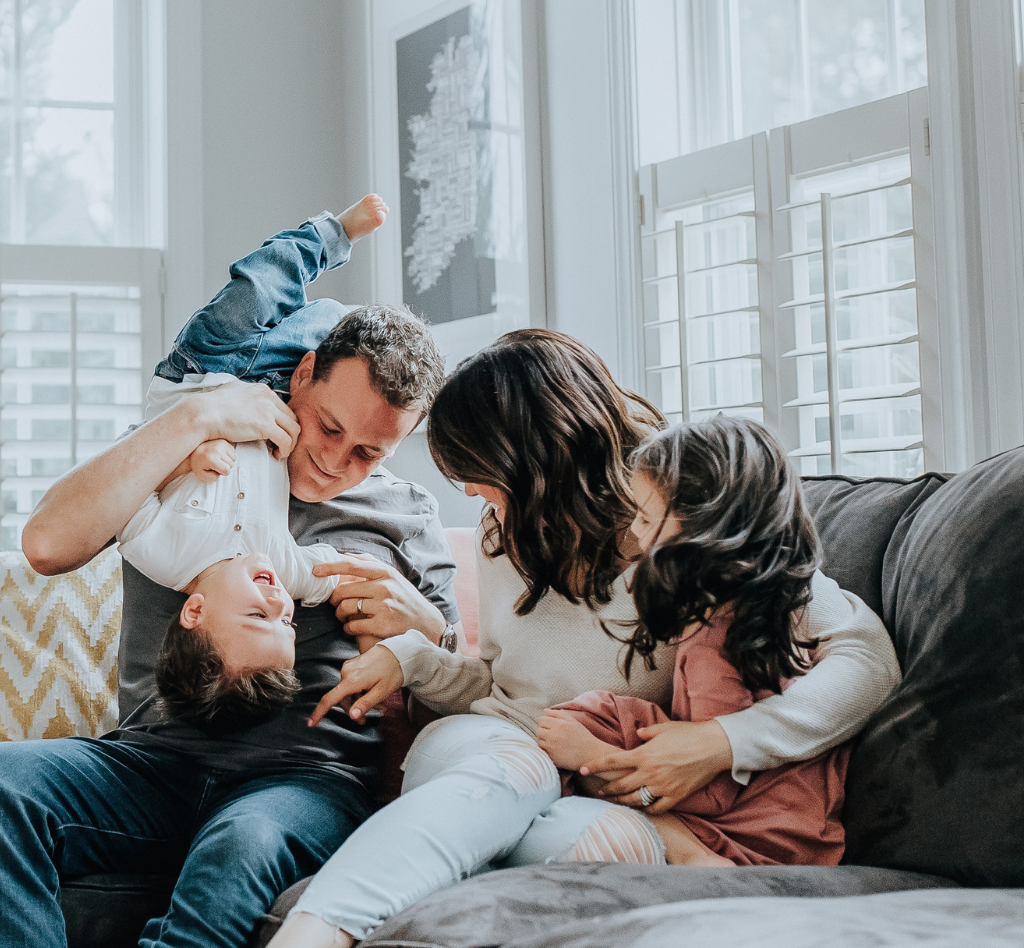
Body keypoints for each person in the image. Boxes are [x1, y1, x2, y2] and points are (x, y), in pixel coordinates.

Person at [266, 330, 899, 947]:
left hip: (592, 789)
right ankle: (313, 931)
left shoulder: (683, 517)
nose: (472, 494)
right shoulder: (500, 533)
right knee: (515, 771)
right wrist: (415, 657)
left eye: (480, 473)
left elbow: (868, 662)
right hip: (491, 746)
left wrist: (720, 743)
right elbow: (497, 685)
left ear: (536, 459)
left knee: (571, 842)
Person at [0, 198, 459, 948]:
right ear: (304, 375)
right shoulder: (197, 450)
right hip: (151, 762)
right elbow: (48, 544)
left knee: (240, 845)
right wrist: (196, 418)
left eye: (369, 453)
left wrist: (428, 630)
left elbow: (470, 686)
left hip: (301, 782)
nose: (334, 462)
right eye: (329, 427)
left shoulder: (407, 516)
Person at [124, 196, 394, 733]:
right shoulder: (285, 569)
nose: (277, 599)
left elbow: (127, 484)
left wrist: (183, 464)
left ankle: (333, 233)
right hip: (273, 392)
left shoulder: (159, 553)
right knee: (344, 330)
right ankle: (345, 321)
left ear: (195, 613)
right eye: (287, 621)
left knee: (260, 285)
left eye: (257, 614)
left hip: (204, 370)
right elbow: (342, 575)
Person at [536, 414, 851, 868]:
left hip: (763, 837)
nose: (634, 535)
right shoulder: (768, 610)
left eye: (645, 518)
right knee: (610, 716)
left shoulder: (713, 644)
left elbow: (714, 791)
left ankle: (695, 860)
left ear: (702, 527)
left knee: (588, 727)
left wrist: (593, 757)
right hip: (799, 824)